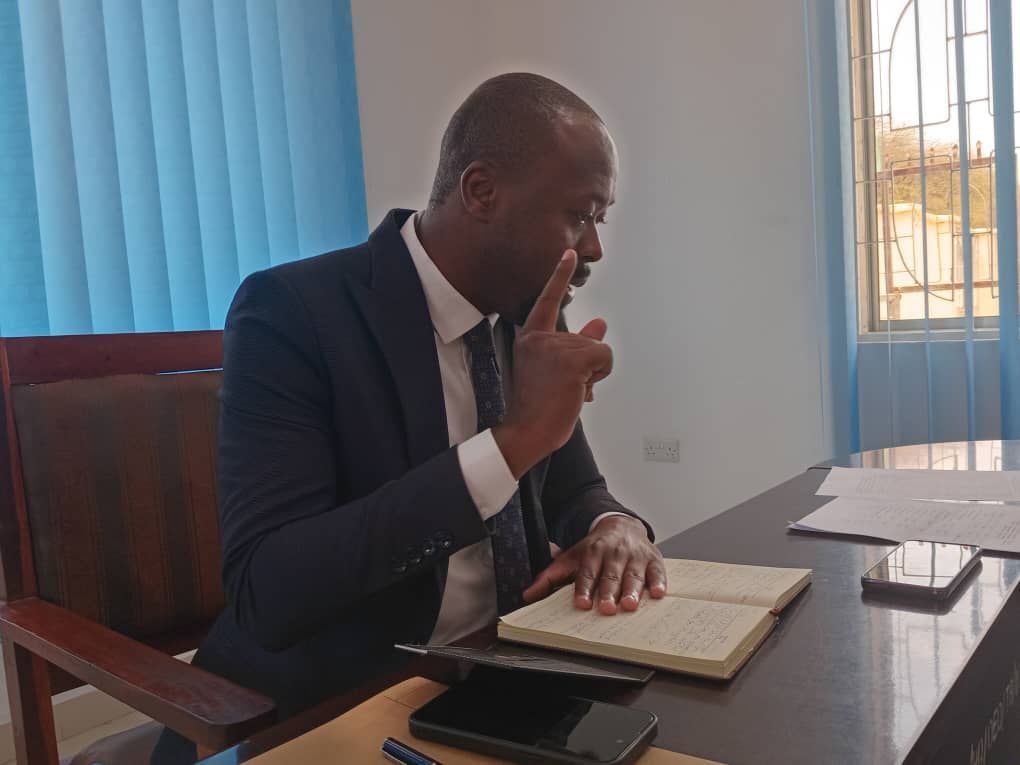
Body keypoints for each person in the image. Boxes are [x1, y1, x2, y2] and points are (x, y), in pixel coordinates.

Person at [152, 72, 665, 764]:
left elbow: (574, 488)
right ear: (480, 192)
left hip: (503, 683)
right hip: (334, 702)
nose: (595, 247)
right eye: (580, 215)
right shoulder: (294, 314)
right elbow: (269, 590)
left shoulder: (529, 313)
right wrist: (509, 446)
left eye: (600, 217)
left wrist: (615, 526)